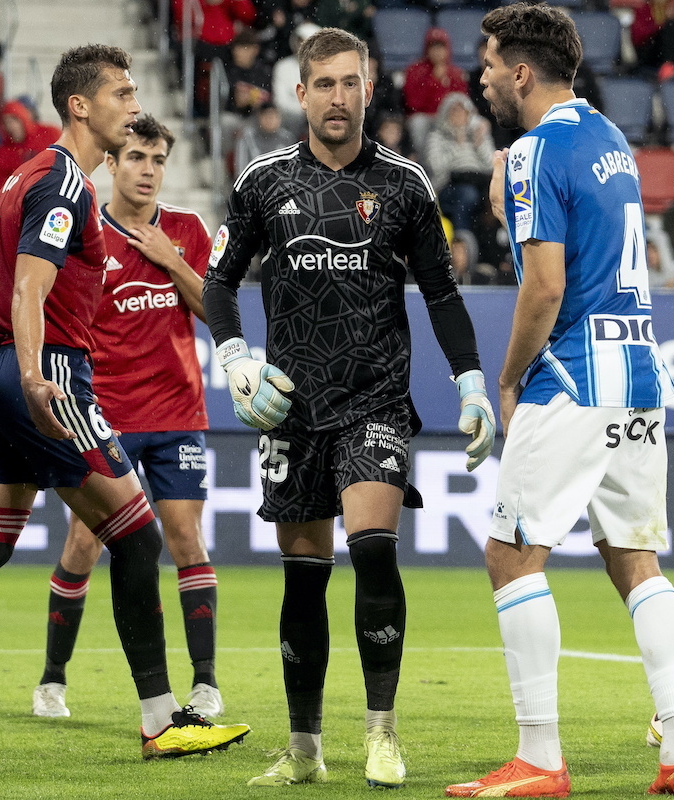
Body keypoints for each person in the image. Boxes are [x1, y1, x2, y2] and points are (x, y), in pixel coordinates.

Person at [0, 44, 250, 762]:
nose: (133, 105)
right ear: (79, 105)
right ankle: (159, 721)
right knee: (138, 538)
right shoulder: (64, 182)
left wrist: (14, 373)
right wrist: (33, 375)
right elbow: (29, 288)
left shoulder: (28, 174)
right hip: (45, 372)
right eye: (121, 92)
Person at [202, 27, 495, 789]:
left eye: (350, 83)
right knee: (304, 579)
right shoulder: (262, 182)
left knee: (373, 548)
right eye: (324, 84)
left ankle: (383, 734)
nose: (338, 97)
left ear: (369, 89)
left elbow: (441, 294)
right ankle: (303, 750)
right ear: (300, 93)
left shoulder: (405, 183)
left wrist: (470, 381)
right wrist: (233, 360)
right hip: (291, 410)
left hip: (376, 400)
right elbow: (219, 284)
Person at [445, 5, 674, 797]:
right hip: (637, 375)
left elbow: (545, 284)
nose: (482, 74)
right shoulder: (611, 142)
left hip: (573, 378)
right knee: (637, 562)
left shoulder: (531, 152)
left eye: (490, 62)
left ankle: (540, 758)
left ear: (522, 72)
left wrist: (511, 373)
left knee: (510, 554)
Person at [32, 114, 225, 721]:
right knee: (84, 540)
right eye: (137, 157)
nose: (148, 170)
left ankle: (205, 684)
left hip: (177, 413)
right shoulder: (85, 229)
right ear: (112, 163)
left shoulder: (189, 231)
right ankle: (52, 680)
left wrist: (173, 261)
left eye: (158, 160)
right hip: (105, 416)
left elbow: (216, 312)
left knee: (187, 539)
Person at [424, 92, 494, 233]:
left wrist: (479, 144)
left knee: (496, 198)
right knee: (468, 196)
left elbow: (491, 164)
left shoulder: (478, 133)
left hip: (480, 182)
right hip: (448, 185)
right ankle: (462, 240)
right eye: (454, 111)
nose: (459, 115)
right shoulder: (437, 136)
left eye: (463, 111)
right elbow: (436, 167)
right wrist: (457, 145)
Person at [402, 27, 469, 150]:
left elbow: (462, 102)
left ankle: (464, 164)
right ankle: (423, 164)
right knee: (418, 123)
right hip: (425, 117)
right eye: (433, 47)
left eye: (441, 47)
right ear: (427, 49)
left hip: (450, 118)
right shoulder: (415, 70)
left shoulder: (456, 73)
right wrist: (434, 81)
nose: (437, 51)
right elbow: (413, 104)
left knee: (478, 123)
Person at [0, 99, 61, 199]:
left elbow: (68, 155)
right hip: (26, 200)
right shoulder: (2, 153)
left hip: (56, 189)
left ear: (23, 118)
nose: (11, 126)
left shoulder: (49, 133)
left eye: (14, 120)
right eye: (6, 122)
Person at [234, 102, 297, 176]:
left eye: (273, 116)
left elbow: (293, 171)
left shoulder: (287, 138)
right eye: (267, 116)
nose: (270, 120)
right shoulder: (247, 138)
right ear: (259, 117)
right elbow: (241, 172)